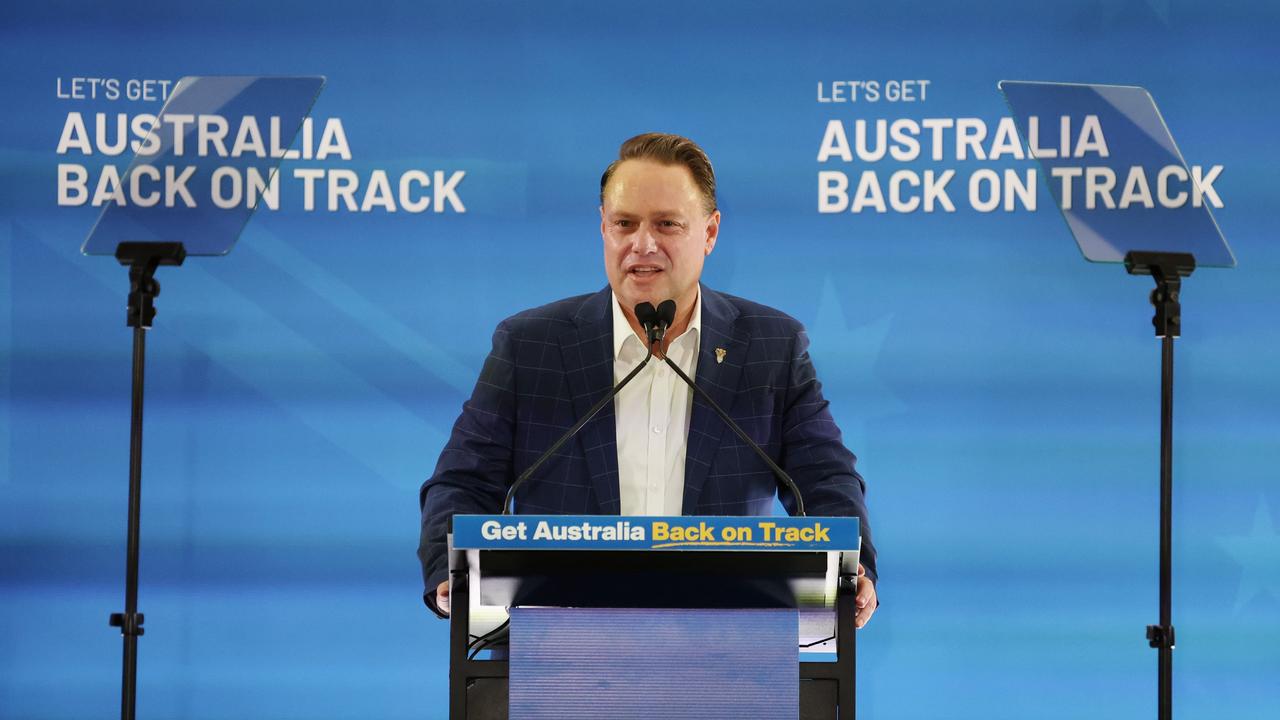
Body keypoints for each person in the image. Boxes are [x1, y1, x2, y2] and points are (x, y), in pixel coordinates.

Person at [418, 132, 878, 627]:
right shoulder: (532, 346)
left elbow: (824, 479)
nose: (643, 244)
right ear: (603, 228)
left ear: (709, 233)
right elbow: (464, 480)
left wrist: (854, 572)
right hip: (560, 654)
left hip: (724, 652)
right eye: (625, 224)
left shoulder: (770, 348)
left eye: (666, 225)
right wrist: (453, 573)